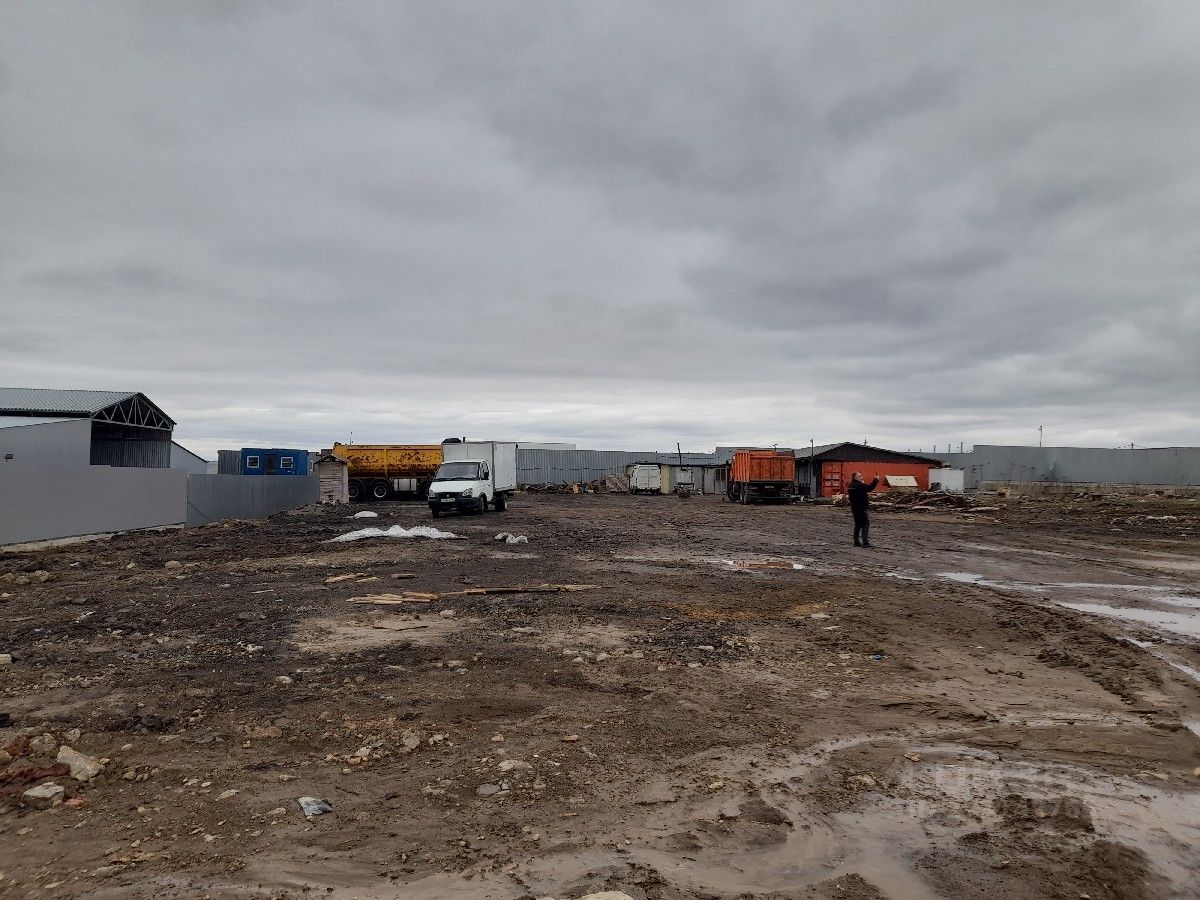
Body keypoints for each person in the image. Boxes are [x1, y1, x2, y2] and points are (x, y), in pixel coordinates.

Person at [847, 471, 879, 547]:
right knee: (865, 524)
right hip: (861, 508)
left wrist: (862, 483)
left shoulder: (850, 485)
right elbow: (870, 488)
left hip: (854, 508)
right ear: (856, 477)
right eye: (860, 476)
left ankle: (856, 541)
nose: (862, 477)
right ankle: (865, 542)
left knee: (857, 525)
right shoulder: (859, 485)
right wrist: (876, 479)